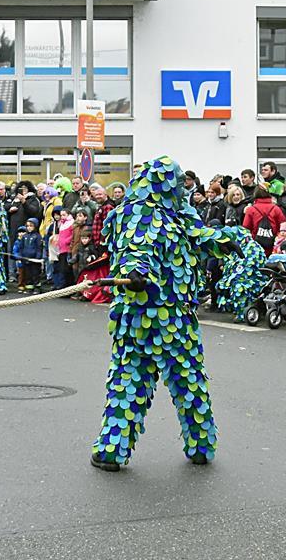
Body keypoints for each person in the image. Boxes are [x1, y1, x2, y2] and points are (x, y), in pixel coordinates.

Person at [90, 156, 234, 471]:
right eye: (177, 181)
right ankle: (198, 446)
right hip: (148, 315)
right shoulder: (140, 212)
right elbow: (136, 249)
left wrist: (226, 240)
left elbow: (199, 236)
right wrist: (135, 272)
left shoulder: (178, 214)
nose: (182, 187)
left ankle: (117, 450)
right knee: (165, 379)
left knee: (159, 379)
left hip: (168, 316)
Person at [214, 227, 265, 318]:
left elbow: (247, 268)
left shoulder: (253, 247)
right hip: (237, 276)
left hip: (252, 278)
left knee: (238, 286)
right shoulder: (235, 248)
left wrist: (229, 281)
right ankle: (233, 309)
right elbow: (229, 264)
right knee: (220, 285)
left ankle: (242, 314)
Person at [242, 186, 286, 255]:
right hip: (273, 247)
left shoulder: (251, 209)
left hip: (256, 247)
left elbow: (246, 228)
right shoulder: (276, 209)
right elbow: (283, 226)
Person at [16, 218, 44, 291]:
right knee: (28, 275)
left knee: (35, 274)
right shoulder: (24, 236)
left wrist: (38, 257)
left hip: (34, 260)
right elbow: (21, 247)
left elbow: (39, 248)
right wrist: (20, 256)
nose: (29, 228)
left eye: (31, 226)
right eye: (27, 226)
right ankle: (29, 287)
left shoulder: (37, 236)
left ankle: (37, 287)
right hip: (26, 259)